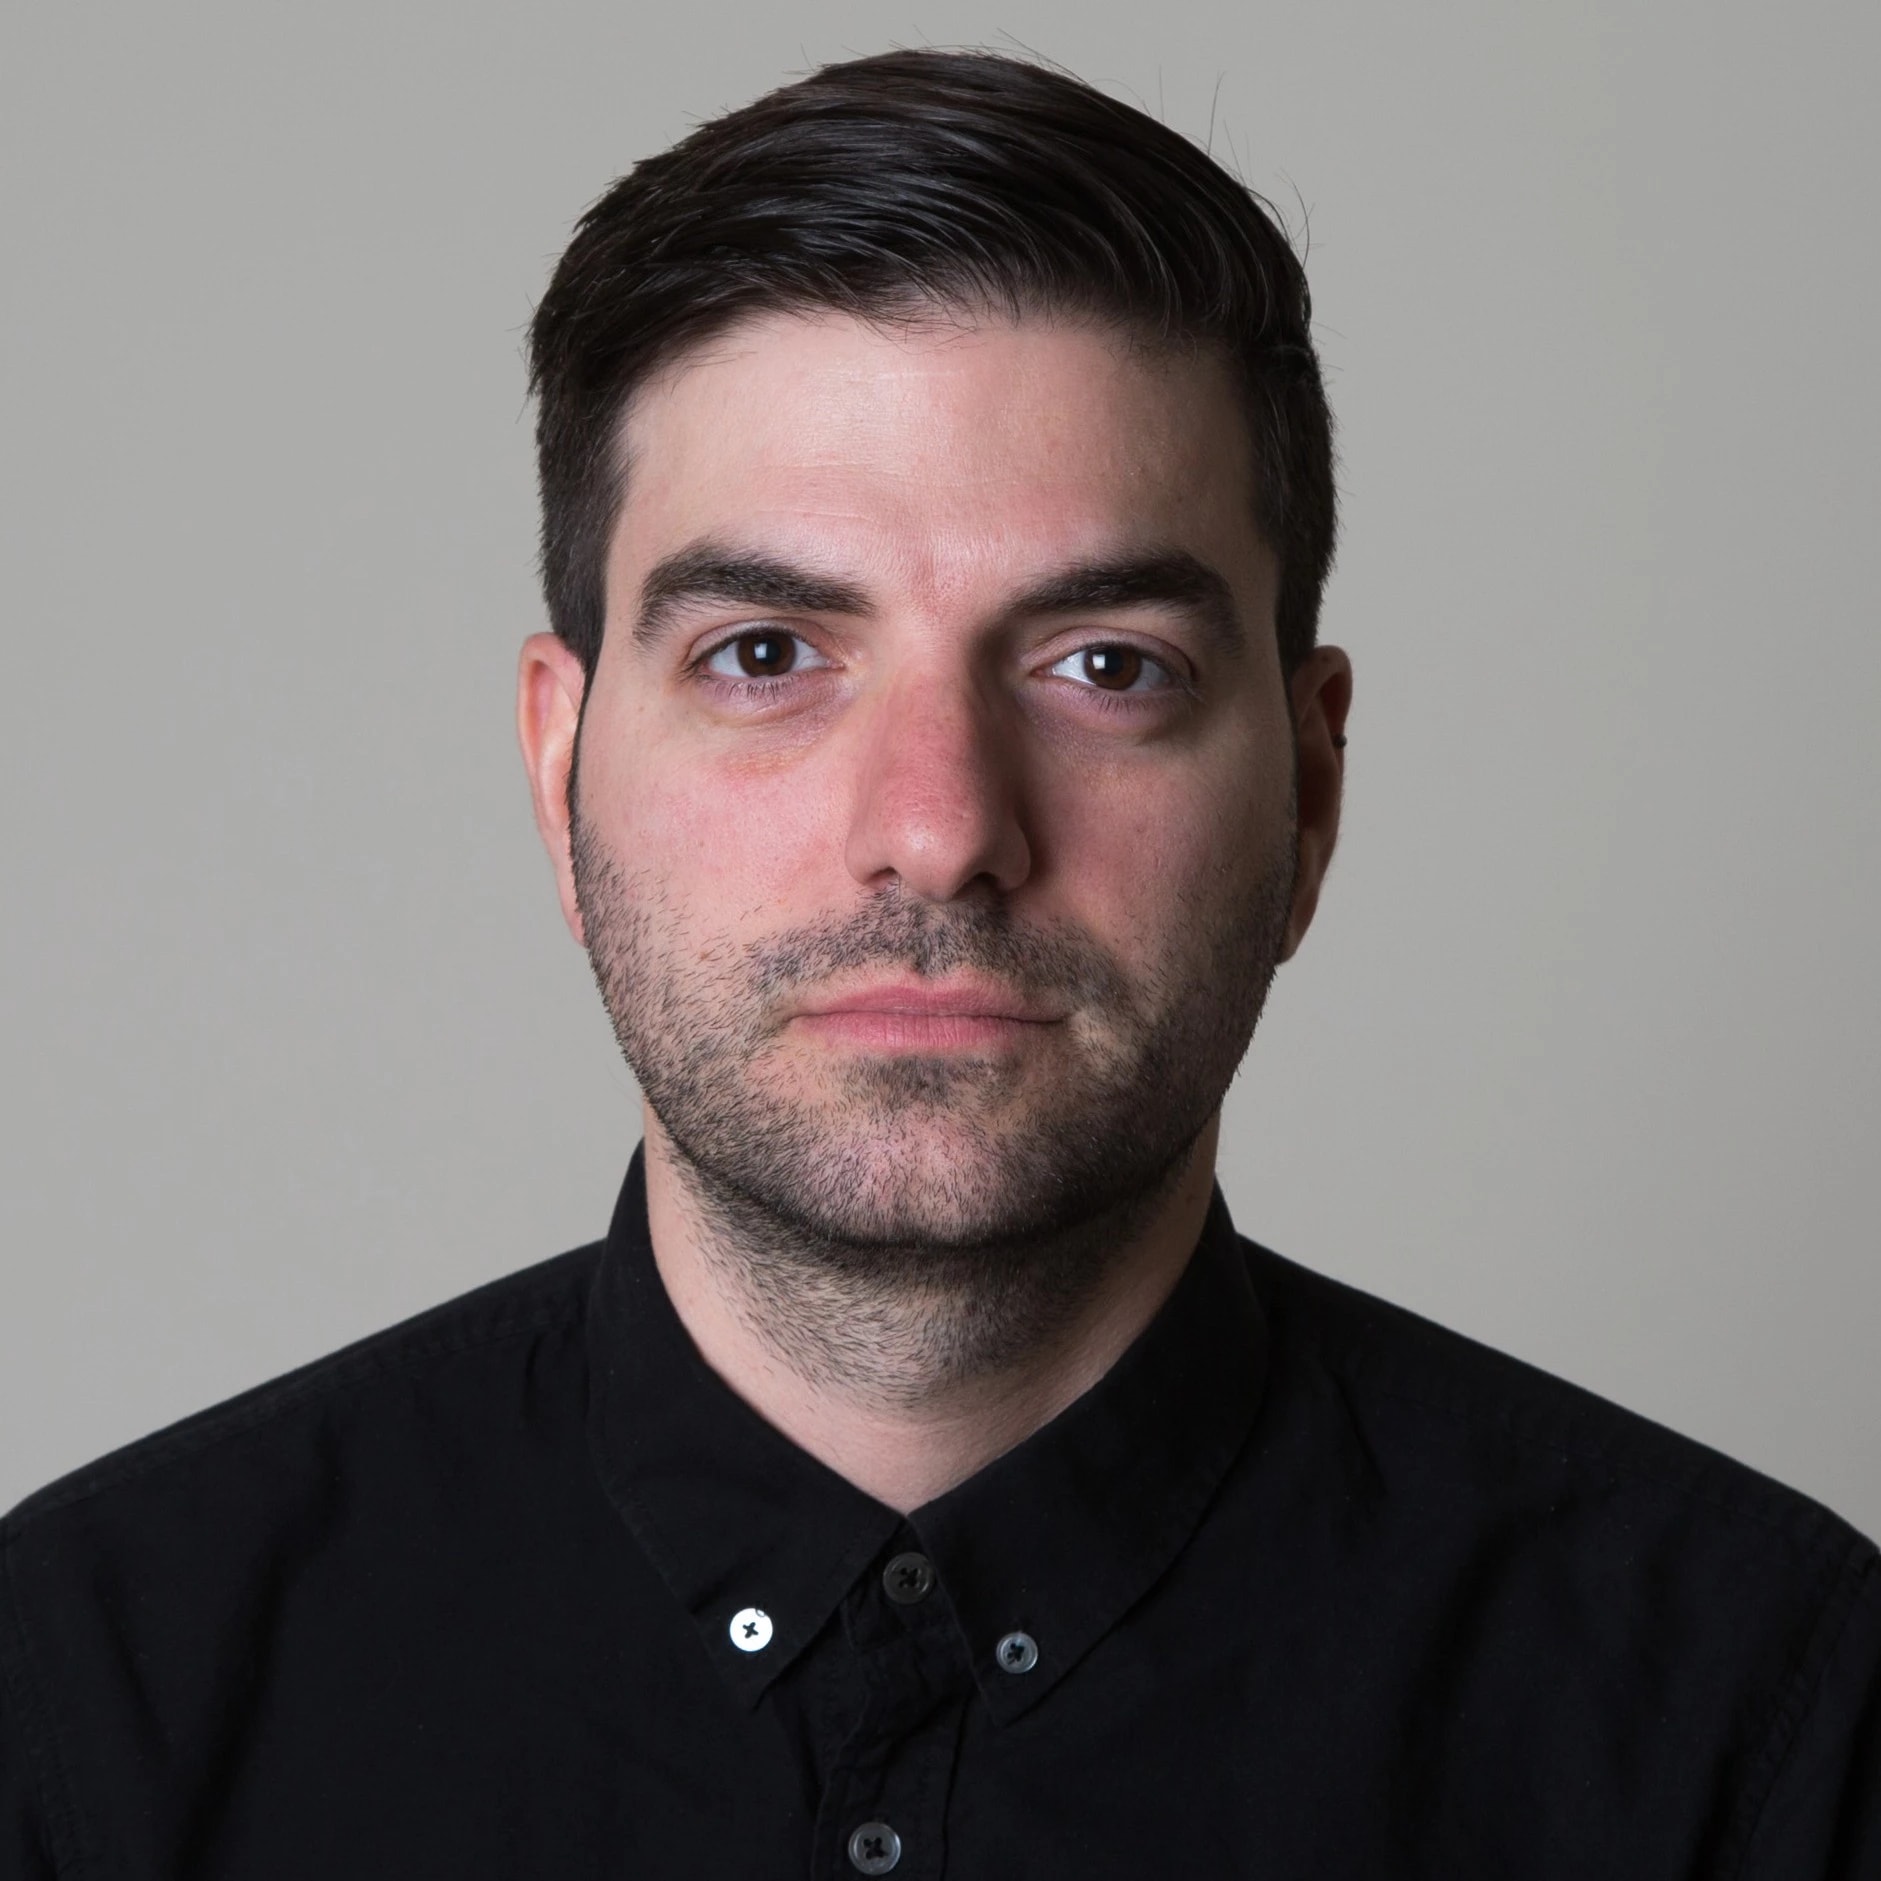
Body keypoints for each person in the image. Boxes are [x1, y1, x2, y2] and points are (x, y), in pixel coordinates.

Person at [2, 45, 1875, 1879]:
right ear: (560, 765)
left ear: (1307, 787)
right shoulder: (89, 1703)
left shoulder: (1760, 1716)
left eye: (1105, 665)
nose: (937, 825)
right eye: (762, 653)